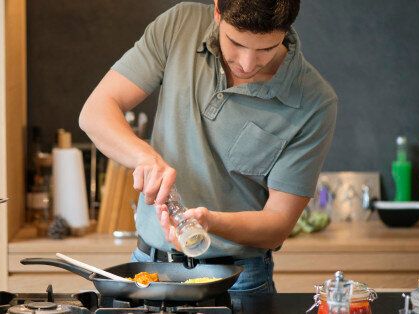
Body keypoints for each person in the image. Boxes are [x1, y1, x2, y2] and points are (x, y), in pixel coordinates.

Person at [79, 0, 337, 297]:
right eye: (235, 42)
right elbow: (95, 112)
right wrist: (145, 157)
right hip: (148, 269)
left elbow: (278, 224)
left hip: (239, 280)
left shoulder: (314, 101)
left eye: (266, 49)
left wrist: (210, 221)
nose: (247, 63)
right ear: (217, 10)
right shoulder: (180, 25)